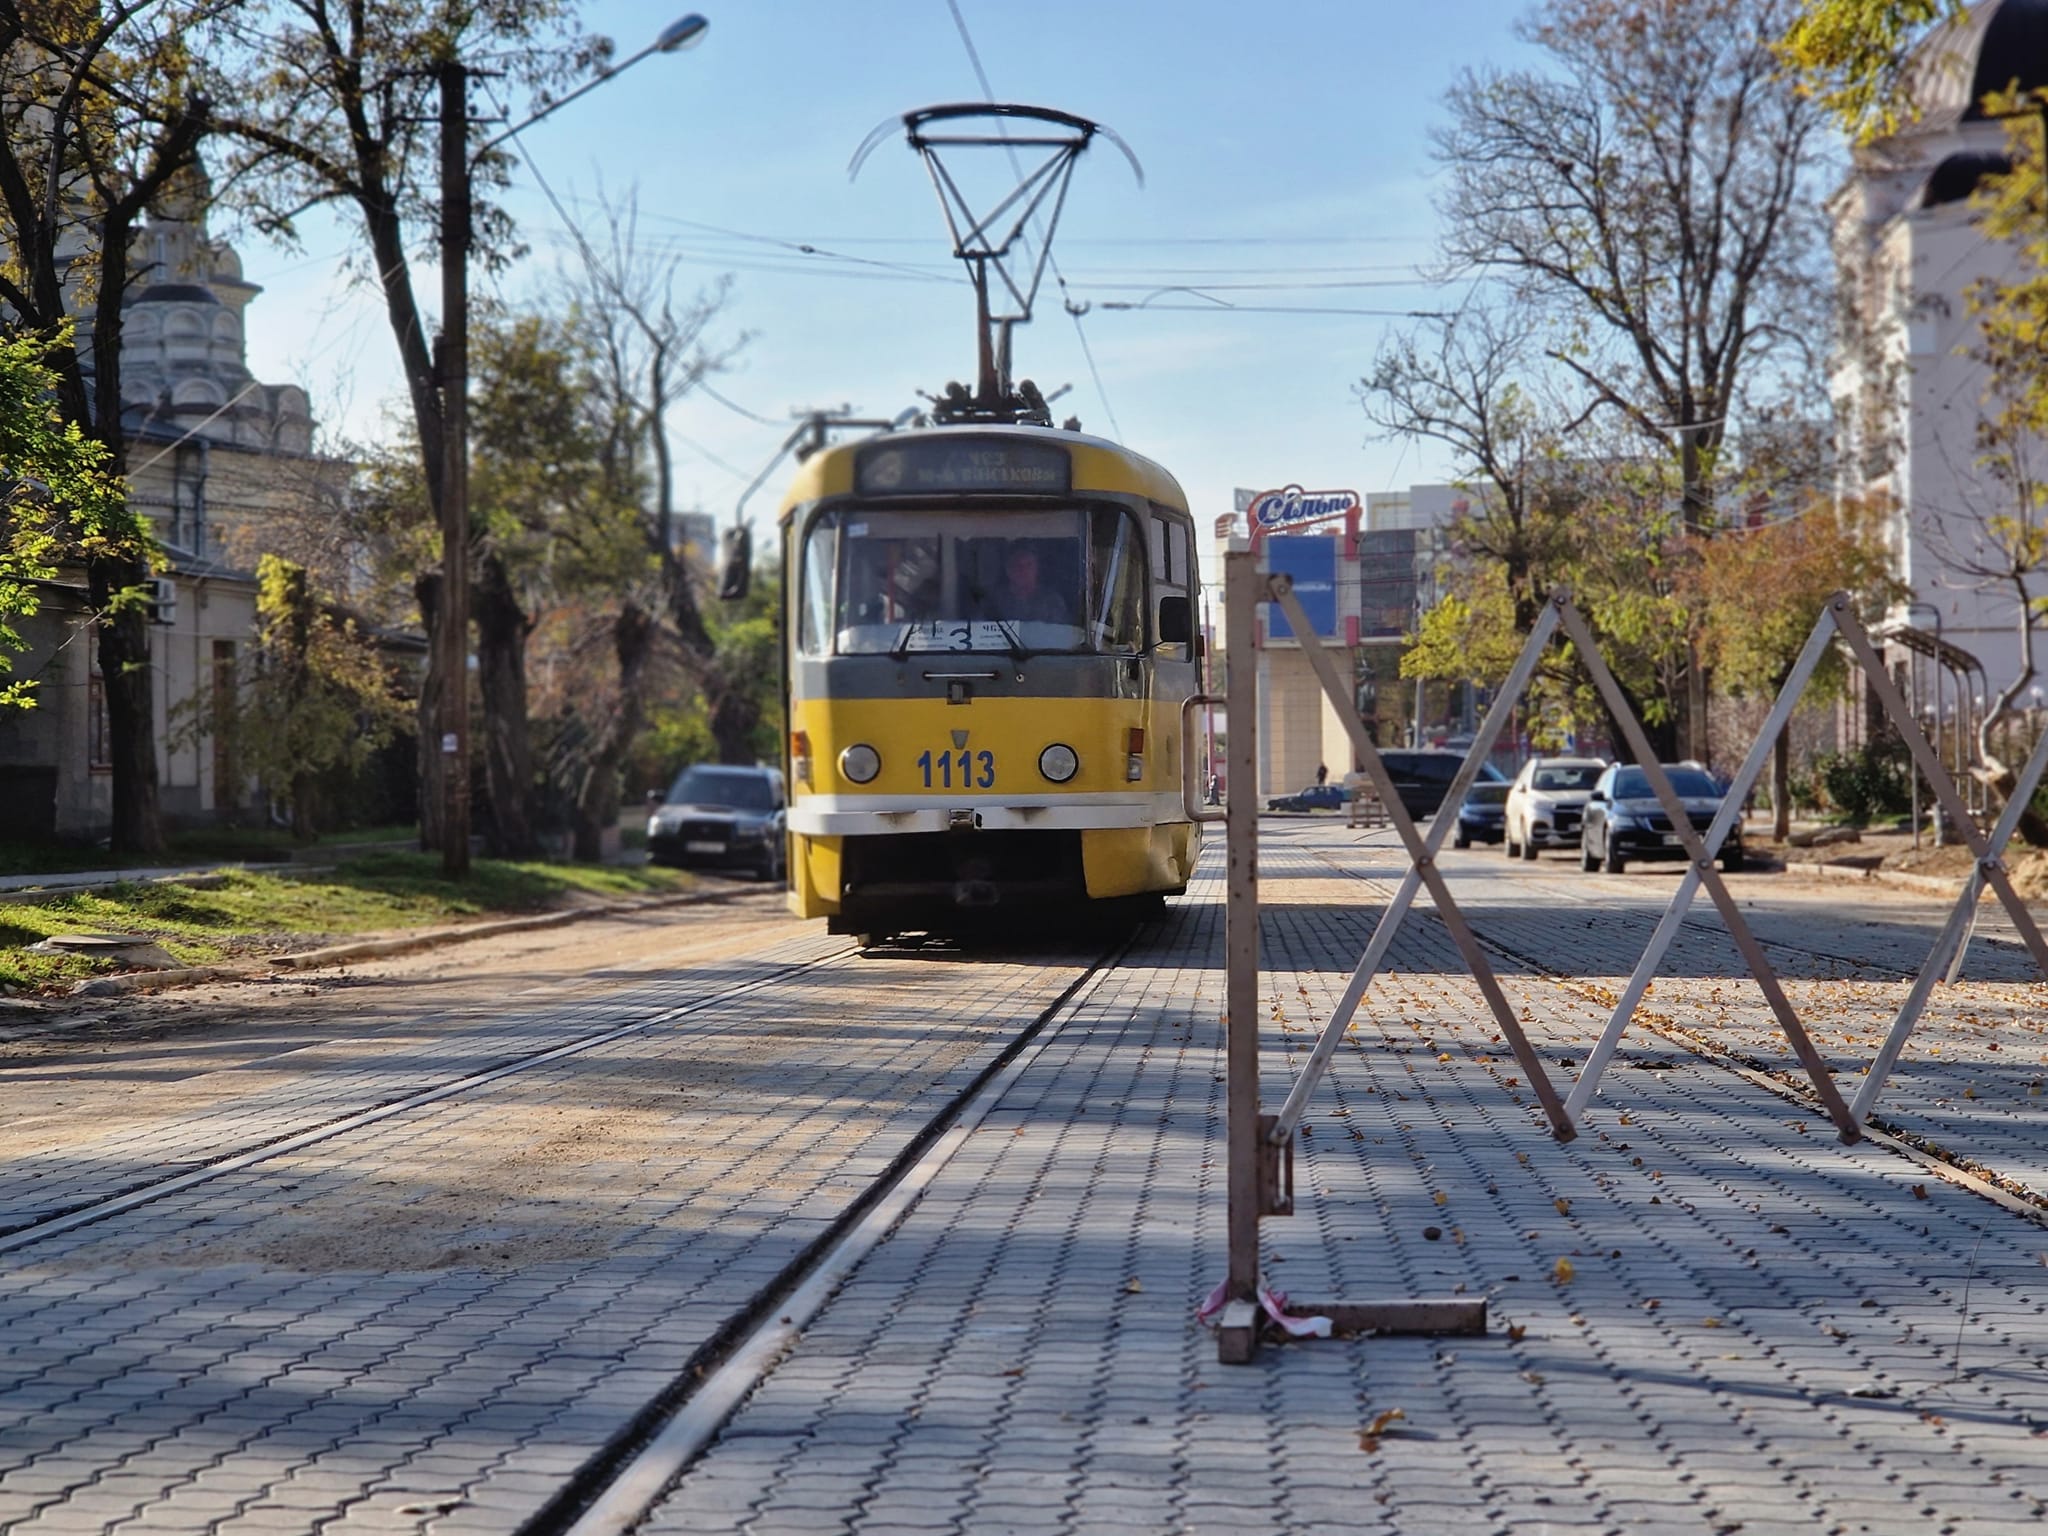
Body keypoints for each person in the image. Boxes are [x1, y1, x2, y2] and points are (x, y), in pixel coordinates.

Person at [992, 542, 1075, 624]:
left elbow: (1061, 630)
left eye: (1029, 565)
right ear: (1008, 569)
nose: (1023, 570)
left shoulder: (1052, 601)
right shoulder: (995, 602)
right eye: (1017, 565)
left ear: (1036, 568)